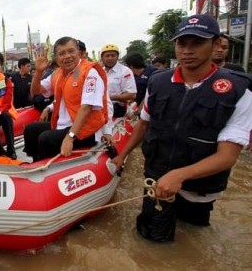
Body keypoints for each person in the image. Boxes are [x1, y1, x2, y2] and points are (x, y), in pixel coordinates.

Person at [111, 14, 252, 242]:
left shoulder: (237, 90)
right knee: (153, 241)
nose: (187, 50)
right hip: (157, 180)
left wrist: (180, 175)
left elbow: (227, 156)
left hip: (200, 188)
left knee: (195, 237)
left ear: (216, 45)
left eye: (197, 43)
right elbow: (144, 124)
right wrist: (122, 155)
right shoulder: (158, 83)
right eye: (181, 43)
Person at [23, 37, 109, 161]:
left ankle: (46, 170)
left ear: (79, 53)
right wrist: (39, 72)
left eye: (71, 51)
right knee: (31, 130)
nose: (67, 56)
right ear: (56, 58)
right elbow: (36, 92)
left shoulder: (90, 72)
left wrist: (70, 137)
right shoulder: (57, 74)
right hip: (63, 124)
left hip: (86, 129)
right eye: (62, 53)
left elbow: (86, 108)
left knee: (46, 138)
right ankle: (36, 161)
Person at [101, 43, 137, 117]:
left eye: (113, 55)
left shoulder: (125, 71)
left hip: (117, 109)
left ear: (117, 57)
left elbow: (132, 95)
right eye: (107, 56)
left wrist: (109, 97)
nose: (110, 58)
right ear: (102, 58)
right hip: (101, 109)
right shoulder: (100, 71)